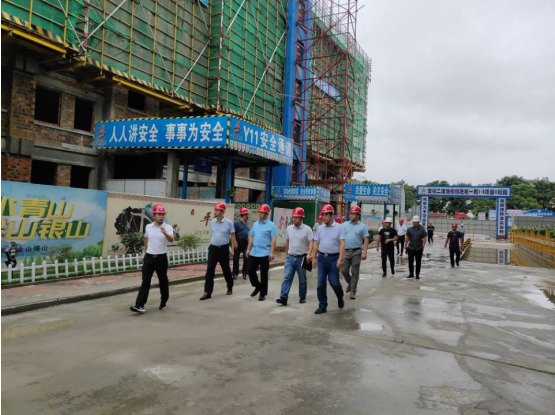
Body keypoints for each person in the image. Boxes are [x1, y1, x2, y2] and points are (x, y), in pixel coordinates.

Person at [131, 204, 174, 313]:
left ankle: (164, 300)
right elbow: (146, 239)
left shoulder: (168, 227)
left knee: (163, 281)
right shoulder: (148, 227)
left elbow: (171, 240)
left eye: (163, 214)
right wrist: (146, 251)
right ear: (154, 215)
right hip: (149, 258)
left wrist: (165, 233)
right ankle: (139, 305)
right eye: (159, 214)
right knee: (145, 281)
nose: (161, 216)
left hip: (161, 258)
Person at [312, 204, 345, 314]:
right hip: (321, 258)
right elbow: (316, 243)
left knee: (334, 283)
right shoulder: (319, 228)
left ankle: (340, 296)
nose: (324, 217)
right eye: (323, 215)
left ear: (331, 215)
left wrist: (340, 259)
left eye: (326, 215)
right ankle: (322, 305)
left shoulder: (339, 227)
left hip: (334, 259)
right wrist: (314, 258)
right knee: (320, 284)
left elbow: (342, 243)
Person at [200, 202, 237, 300]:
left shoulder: (228, 223)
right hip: (213, 249)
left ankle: (230, 286)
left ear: (222, 211)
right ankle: (208, 292)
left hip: (223, 249)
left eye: (217, 210)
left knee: (226, 270)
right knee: (209, 270)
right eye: (215, 210)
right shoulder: (212, 222)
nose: (215, 211)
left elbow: (233, 237)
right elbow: (214, 235)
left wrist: (232, 249)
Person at [276, 207, 313, 306]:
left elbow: (311, 242)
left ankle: (302, 296)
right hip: (291, 257)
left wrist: (309, 254)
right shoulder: (289, 228)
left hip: (302, 258)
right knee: (287, 277)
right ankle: (283, 297)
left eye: (296, 217)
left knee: (302, 279)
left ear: (301, 218)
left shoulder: (307, 229)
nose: (294, 219)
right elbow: (287, 241)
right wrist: (287, 254)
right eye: (293, 217)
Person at [246, 204, 277, 301]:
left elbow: (273, 239)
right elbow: (251, 237)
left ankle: (262, 294)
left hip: (265, 253)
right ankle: (258, 286)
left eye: (262, 212)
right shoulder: (255, 224)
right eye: (259, 212)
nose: (259, 214)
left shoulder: (271, 225)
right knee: (250, 271)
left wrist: (272, 252)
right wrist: (248, 249)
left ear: (267, 213)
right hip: (254, 252)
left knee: (264, 274)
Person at [341, 205, 369, 300]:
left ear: (358, 215)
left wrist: (365, 252)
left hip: (356, 251)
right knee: (344, 270)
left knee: (354, 272)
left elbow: (366, 239)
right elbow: (340, 237)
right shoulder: (344, 225)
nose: (351, 215)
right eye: (350, 213)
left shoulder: (363, 226)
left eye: (353, 214)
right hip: (345, 251)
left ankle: (353, 291)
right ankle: (350, 283)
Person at [233, 208, 250, 280]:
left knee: (246, 258)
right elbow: (233, 234)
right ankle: (235, 273)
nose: (248, 216)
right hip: (238, 242)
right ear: (244, 215)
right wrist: (235, 242)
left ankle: (245, 273)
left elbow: (247, 233)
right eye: (247, 214)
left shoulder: (247, 223)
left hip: (245, 243)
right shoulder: (236, 223)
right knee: (236, 259)